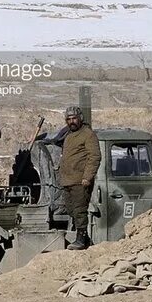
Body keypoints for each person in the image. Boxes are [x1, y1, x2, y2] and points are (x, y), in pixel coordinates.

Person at [58, 106, 101, 250]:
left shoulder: (88, 134)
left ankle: (81, 240)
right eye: (68, 119)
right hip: (68, 180)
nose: (71, 122)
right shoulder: (68, 136)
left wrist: (87, 177)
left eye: (74, 118)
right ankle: (85, 239)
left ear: (80, 118)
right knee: (71, 210)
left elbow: (94, 157)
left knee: (79, 210)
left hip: (80, 180)